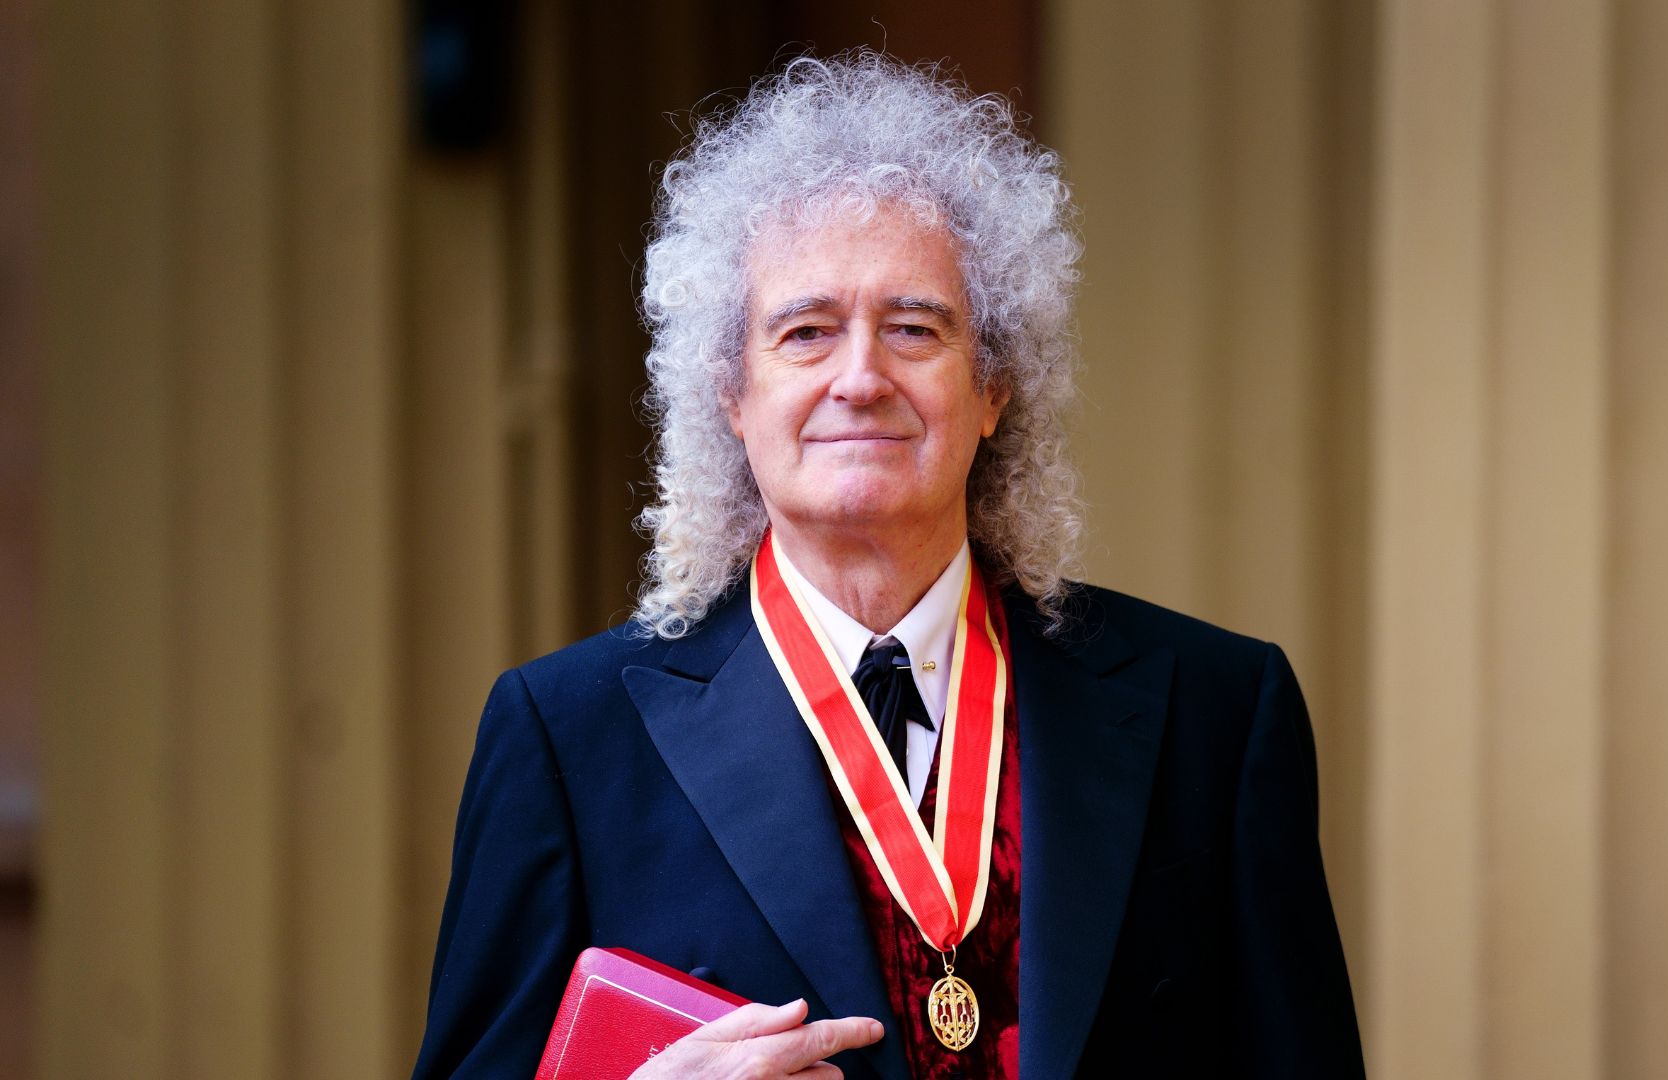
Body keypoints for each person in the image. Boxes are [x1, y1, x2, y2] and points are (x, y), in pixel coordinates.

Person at [411, 52, 1363, 1079]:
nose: (860, 378)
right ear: (731, 395)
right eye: (806, 332)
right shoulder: (568, 738)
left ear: (993, 386)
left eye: (914, 328)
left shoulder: (1214, 713)